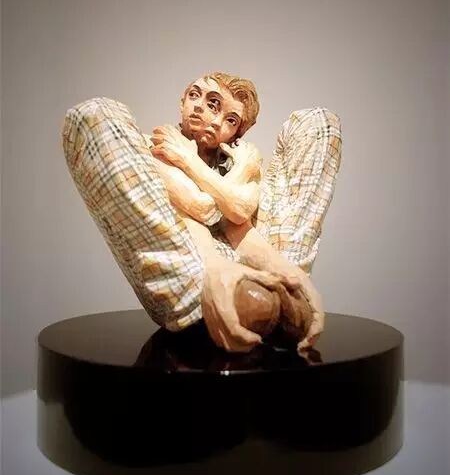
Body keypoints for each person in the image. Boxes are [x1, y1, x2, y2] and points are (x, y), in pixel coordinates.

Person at [62, 73, 342, 354]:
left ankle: (284, 288)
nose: (208, 114)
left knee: (318, 122)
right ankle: (221, 298)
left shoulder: (241, 159)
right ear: (182, 100)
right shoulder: (153, 146)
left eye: (229, 119)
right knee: (95, 113)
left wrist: (282, 267)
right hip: (186, 265)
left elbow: (240, 220)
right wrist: (213, 264)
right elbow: (200, 207)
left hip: (248, 258)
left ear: (238, 133)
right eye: (200, 98)